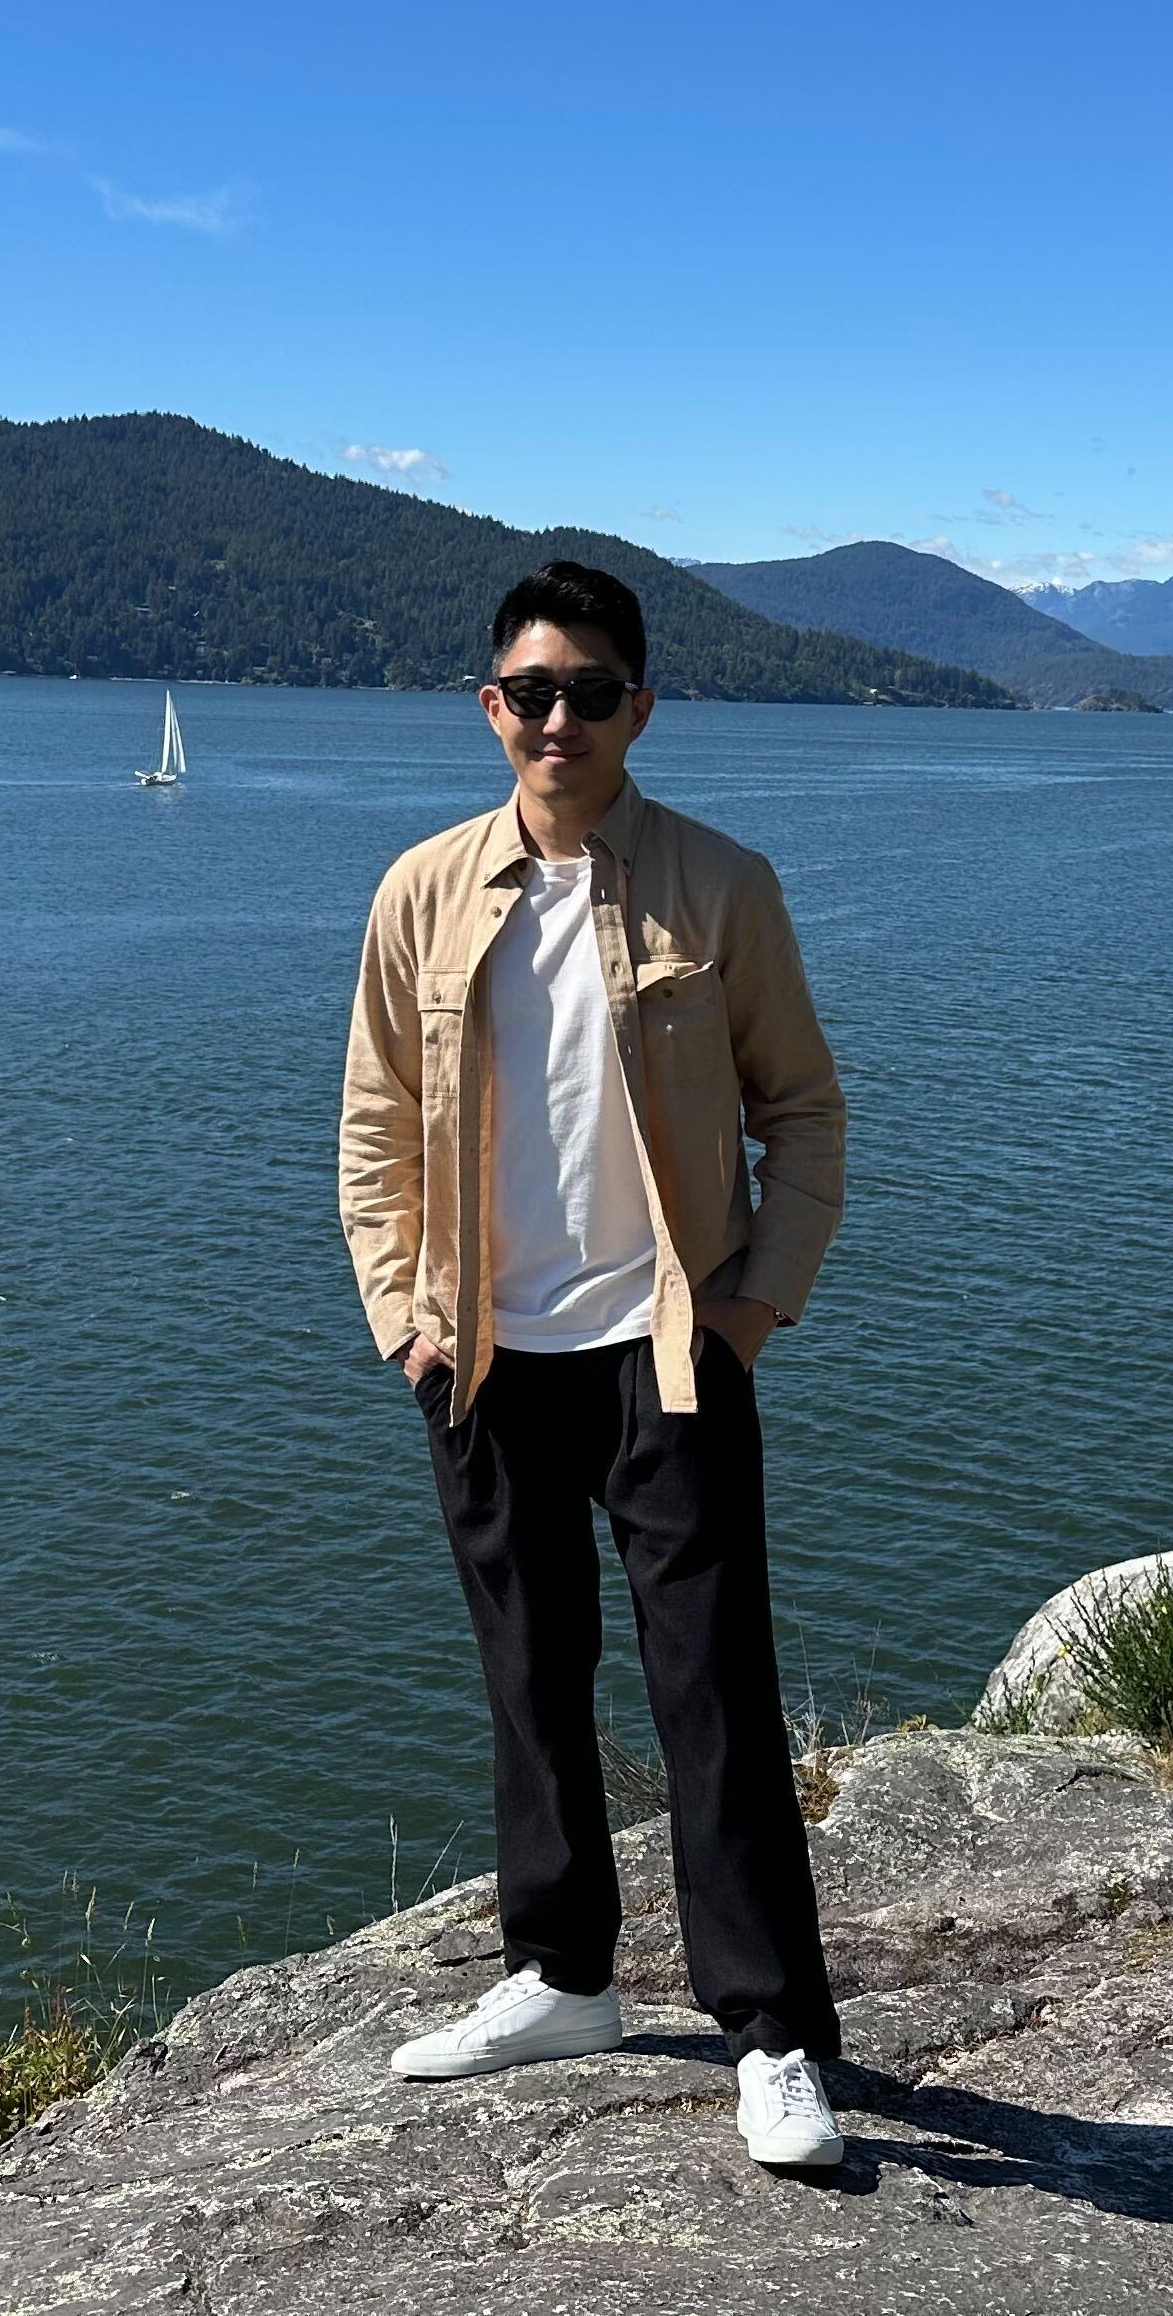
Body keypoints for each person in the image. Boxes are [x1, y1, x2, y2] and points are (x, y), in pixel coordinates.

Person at [337, 558, 850, 2171]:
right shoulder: (421, 892)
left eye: (592, 691)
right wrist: (404, 1321)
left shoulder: (719, 886)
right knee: (531, 1684)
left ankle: (769, 2035)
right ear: (490, 707)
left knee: (715, 1698)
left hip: (669, 1353)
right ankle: (561, 1976)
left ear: (642, 706)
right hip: (485, 1356)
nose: (559, 719)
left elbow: (807, 1116)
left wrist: (755, 1306)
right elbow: (371, 1132)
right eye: (529, 693)